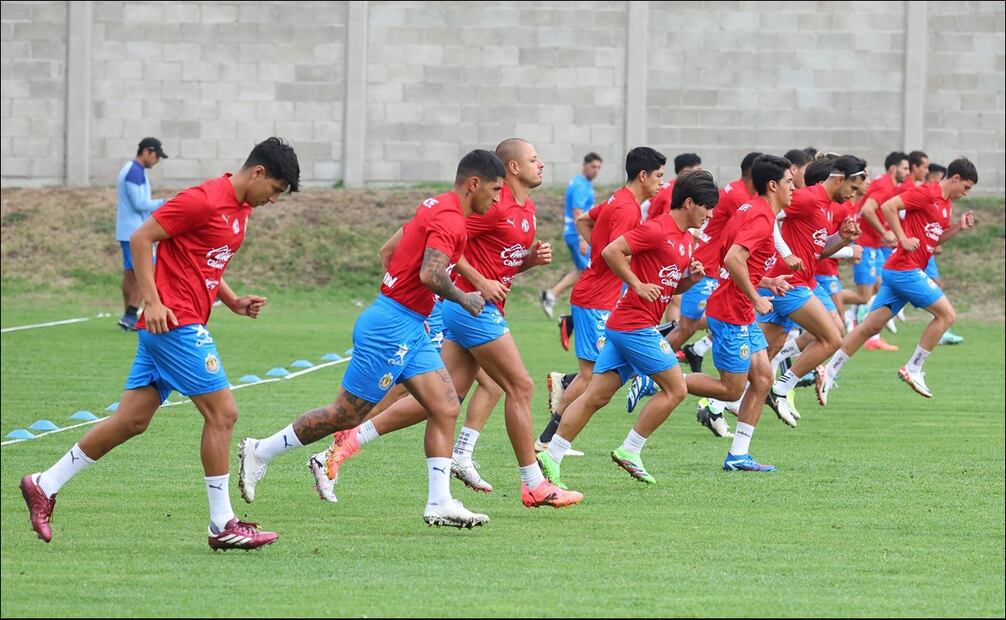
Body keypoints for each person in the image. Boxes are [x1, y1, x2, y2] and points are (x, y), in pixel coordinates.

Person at [20, 137, 301, 549]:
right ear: (257, 173)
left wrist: (232, 300)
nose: (273, 200)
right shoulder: (203, 199)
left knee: (132, 420)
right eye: (274, 190)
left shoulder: (240, 210)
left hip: (172, 324)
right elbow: (140, 238)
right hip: (174, 323)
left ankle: (44, 484)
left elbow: (202, 258)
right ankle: (222, 524)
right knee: (223, 413)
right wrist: (150, 301)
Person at [237, 150, 508, 529]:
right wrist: (465, 297)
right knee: (346, 415)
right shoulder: (450, 218)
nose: (497, 199)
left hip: (408, 324)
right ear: (474, 183)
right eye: (495, 190)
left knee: (445, 406)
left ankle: (440, 502)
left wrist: (409, 299)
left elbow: (393, 251)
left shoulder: (436, 206)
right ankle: (259, 451)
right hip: (390, 328)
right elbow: (432, 274)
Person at [316, 139, 583, 509]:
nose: (542, 164)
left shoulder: (528, 209)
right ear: (513, 168)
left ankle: (349, 442)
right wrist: (477, 283)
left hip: (481, 307)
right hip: (469, 307)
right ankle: (533, 483)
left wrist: (528, 262)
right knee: (519, 386)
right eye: (534, 159)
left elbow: (497, 260)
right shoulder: (492, 206)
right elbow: (447, 248)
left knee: (443, 401)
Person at [537, 170, 718, 489]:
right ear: (689, 203)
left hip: (627, 324)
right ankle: (630, 450)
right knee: (676, 389)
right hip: (634, 325)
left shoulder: (686, 240)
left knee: (595, 395)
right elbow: (610, 251)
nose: (709, 214)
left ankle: (552, 454)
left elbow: (667, 285)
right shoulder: (657, 228)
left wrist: (691, 279)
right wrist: (635, 283)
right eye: (706, 207)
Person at [535, 147, 668, 451]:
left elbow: (584, 221)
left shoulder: (618, 199)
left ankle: (556, 419)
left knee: (596, 373)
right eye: (659, 176)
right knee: (590, 377)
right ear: (643, 175)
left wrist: (600, 252)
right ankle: (548, 440)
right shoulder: (627, 209)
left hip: (599, 297)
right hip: (595, 299)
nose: (661, 182)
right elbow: (613, 251)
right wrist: (626, 273)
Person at [820, 158, 978, 403]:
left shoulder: (946, 205)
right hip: (905, 269)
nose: (966, 193)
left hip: (900, 271)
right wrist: (902, 238)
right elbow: (889, 206)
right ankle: (913, 368)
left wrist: (958, 227)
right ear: (955, 178)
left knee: (870, 327)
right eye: (966, 187)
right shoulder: (928, 192)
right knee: (947, 315)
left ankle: (829, 372)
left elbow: (933, 240)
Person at [683, 154, 796, 472]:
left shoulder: (752, 210)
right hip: (732, 311)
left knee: (762, 379)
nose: (793, 189)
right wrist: (755, 297)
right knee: (731, 388)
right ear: (773, 185)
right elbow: (733, 260)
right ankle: (657, 378)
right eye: (789, 182)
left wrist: (768, 281)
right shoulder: (760, 217)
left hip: (739, 310)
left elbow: (735, 261)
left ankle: (738, 455)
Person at [756, 156, 864, 423]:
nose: (853, 195)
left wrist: (842, 239)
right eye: (852, 187)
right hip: (788, 283)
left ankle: (718, 401)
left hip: (791, 284)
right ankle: (782, 388)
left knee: (762, 352)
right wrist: (785, 252)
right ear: (839, 179)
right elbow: (766, 215)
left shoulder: (826, 207)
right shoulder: (809, 198)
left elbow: (817, 252)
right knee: (833, 338)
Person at [843, 151, 909, 348]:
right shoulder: (885, 185)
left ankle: (872, 331)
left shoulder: (888, 184)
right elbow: (868, 210)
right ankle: (846, 308)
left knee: (882, 285)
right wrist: (884, 232)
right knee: (865, 295)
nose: (908, 172)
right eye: (905, 168)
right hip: (866, 244)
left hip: (875, 245)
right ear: (893, 168)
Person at [540, 152, 603, 318]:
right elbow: (577, 211)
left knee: (582, 271)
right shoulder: (581, 185)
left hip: (574, 234)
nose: (596, 171)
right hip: (577, 235)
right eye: (593, 166)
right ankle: (580, 308)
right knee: (591, 271)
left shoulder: (580, 182)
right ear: (584, 165)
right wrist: (583, 237)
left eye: (598, 168)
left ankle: (551, 295)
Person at [116, 137, 168, 331]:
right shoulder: (134, 172)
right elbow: (140, 204)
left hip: (127, 230)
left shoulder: (133, 170)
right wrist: (165, 203)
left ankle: (128, 316)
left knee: (131, 275)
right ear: (147, 151)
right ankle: (130, 315)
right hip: (135, 232)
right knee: (147, 271)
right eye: (156, 156)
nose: (157, 161)